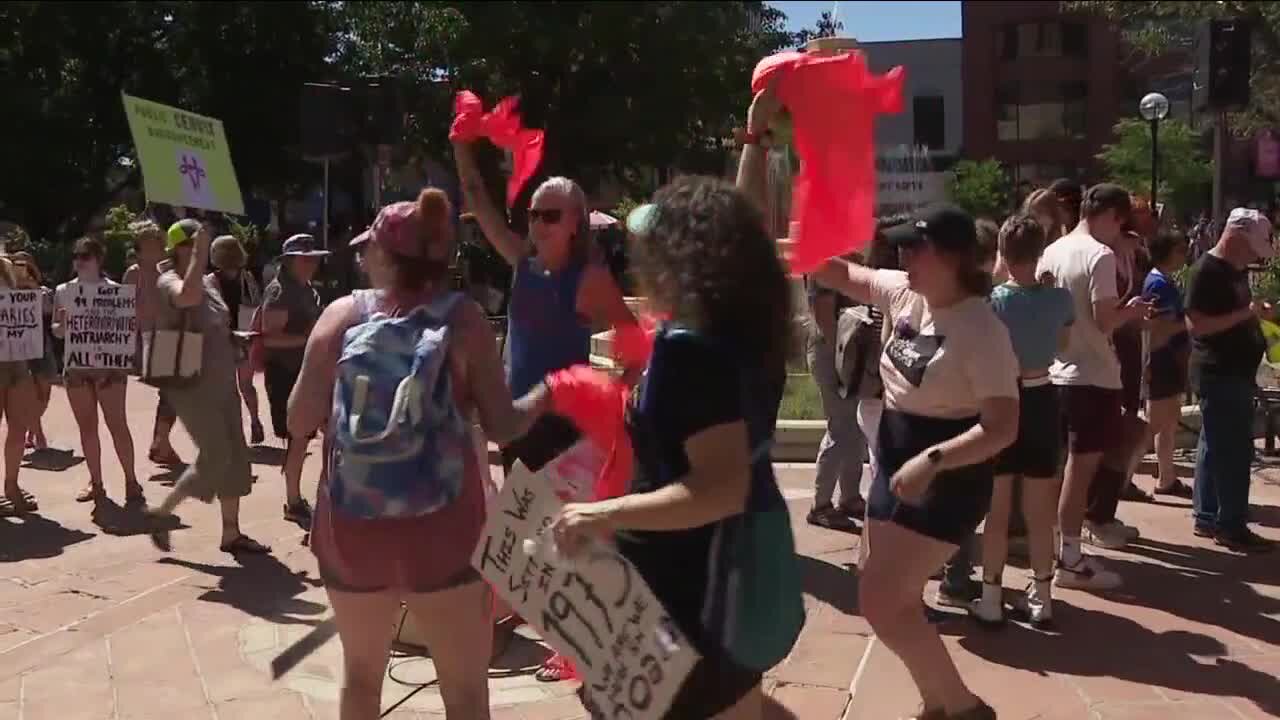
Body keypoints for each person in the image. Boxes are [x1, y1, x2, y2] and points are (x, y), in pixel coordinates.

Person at [288, 190, 552, 720]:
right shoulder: (466, 321)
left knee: (360, 680)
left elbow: (296, 420)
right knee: (465, 694)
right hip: (445, 535)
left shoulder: (342, 316)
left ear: (382, 255)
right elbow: (504, 425)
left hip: (351, 532)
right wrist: (550, 392)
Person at [552, 169, 797, 720]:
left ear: (680, 257)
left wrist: (595, 516)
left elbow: (716, 489)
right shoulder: (750, 333)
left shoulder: (687, 351)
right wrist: (753, 143)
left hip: (684, 597)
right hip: (735, 582)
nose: (639, 255)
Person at [813, 202, 1017, 720]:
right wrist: (802, 234)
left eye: (914, 246)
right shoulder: (904, 291)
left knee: (882, 600)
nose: (902, 254)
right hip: (896, 458)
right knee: (886, 596)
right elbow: (837, 272)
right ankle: (940, 704)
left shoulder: (982, 330)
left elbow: (1002, 428)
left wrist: (933, 460)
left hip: (948, 474)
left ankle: (965, 709)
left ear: (950, 257)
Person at [453, 137, 639, 682]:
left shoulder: (590, 278)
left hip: (562, 425)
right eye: (533, 214)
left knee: (564, 536)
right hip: (517, 419)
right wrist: (462, 148)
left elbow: (633, 342)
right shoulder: (521, 265)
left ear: (575, 222)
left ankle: (579, 647)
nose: (536, 223)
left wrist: (612, 398)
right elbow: (479, 202)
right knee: (523, 528)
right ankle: (528, 613)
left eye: (549, 215)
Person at [1038, 184, 1152, 590]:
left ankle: (1051, 550)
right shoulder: (1099, 256)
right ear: (1112, 216)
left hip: (1055, 372)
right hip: (1092, 375)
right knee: (1080, 469)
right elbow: (1105, 321)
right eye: (1121, 224)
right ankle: (1070, 559)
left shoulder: (1051, 251)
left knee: (1057, 468)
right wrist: (1131, 311)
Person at [972, 213, 1074, 628]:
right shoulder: (1060, 299)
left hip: (1002, 400)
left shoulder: (992, 302)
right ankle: (1042, 596)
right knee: (1038, 509)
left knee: (996, 510)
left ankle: (991, 596)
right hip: (1043, 397)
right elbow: (1064, 346)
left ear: (1002, 253)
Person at [146, 219, 267, 555]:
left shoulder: (209, 284)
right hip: (192, 385)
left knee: (236, 458)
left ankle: (232, 533)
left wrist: (234, 338)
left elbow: (214, 321)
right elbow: (186, 298)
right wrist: (200, 255)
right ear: (182, 247)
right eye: (196, 243)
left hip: (224, 380)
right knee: (217, 455)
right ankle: (162, 512)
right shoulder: (169, 279)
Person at [1185, 208, 1276, 552]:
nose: (1254, 256)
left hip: (1233, 370)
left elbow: (1237, 312)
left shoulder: (1231, 271)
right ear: (1236, 237)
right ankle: (1230, 523)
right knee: (1234, 451)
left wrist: (1255, 313)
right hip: (1218, 371)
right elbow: (1199, 325)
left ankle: (1208, 514)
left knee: (1214, 444)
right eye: (1251, 248)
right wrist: (1245, 313)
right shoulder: (1206, 271)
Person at [52, 237, 144, 506]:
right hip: (77, 368)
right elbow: (57, 332)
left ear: (98, 260)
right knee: (87, 428)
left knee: (118, 425)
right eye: (77, 256)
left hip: (110, 368)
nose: (79, 261)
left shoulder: (115, 291)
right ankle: (97, 483)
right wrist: (64, 324)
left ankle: (131, 481)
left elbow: (128, 330)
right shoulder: (63, 290)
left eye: (86, 256)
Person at [262, 233, 329, 530]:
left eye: (313, 257)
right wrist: (310, 339)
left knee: (306, 437)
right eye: (306, 258)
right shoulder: (280, 292)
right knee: (298, 438)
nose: (312, 263)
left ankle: (304, 499)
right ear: (290, 261)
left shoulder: (305, 289)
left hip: (306, 371)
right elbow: (270, 336)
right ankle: (293, 501)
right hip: (286, 373)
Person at [804, 258, 866, 532]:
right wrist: (842, 361)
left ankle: (850, 497)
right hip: (833, 352)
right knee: (840, 428)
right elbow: (823, 316)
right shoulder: (822, 264)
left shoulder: (846, 261)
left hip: (846, 350)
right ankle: (821, 506)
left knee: (854, 428)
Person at [124, 221, 184, 467]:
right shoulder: (133, 273)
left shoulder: (170, 271)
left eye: (158, 244)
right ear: (139, 249)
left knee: (176, 392)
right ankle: (161, 443)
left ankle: (161, 442)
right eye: (148, 245)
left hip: (173, 334)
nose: (155, 249)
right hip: (149, 337)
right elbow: (125, 310)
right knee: (173, 391)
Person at [1140, 230, 1192, 497]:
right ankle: (1120, 478)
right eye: (1179, 249)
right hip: (1162, 361)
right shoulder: (1157, 284)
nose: (1184, 254)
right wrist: (1189, 325)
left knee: (1168, 423)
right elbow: (1156, 328)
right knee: (1153, 425)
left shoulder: (1164, 281)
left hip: (1169, 361)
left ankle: (1166, 477)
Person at [208, 235, 266, 444]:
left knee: (226, 389)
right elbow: (258, 303)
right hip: (246, 335)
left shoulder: (212, 281)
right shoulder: (247, 277)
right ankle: (255, 420)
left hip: (223, 339)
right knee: (247, 385)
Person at [0, 256, 39, 516]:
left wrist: (29, 285)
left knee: (19, 426)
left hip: (16, 358)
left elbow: (28, 307)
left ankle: (11, 484)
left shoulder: (7, 269)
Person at [8, 253, 55, 450]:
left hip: (41, 345)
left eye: (25, 265)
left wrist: (32, 288)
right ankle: (38, 433)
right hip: (17, 348)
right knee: (27, 393)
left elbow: (49, 310)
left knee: (44, 391)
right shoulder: (5, 293)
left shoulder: (43, 292)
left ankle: (32, 427)